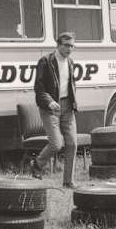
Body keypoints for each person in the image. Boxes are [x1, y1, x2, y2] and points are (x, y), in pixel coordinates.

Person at [32, 32, 78, 188]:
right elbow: (38, 87)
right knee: (57, 144)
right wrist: (50, 101)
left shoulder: (70, 62)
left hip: (67, 106)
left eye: (72, 46)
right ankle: (37, 164)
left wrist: (73, 103)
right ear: (58, 45)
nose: (69, 49)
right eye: (66, 45)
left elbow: (70, 85)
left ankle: (68, 181)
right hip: (50, 108)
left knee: (72, 143)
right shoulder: (46, 61)